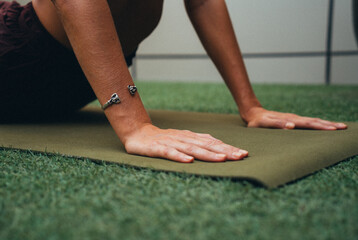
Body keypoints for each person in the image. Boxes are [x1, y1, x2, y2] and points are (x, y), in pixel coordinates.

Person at [0, 0, 347, 163]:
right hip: (15, 56)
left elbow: (203, 2)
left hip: (72, 88)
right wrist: (134, 124)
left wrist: (250, 105)